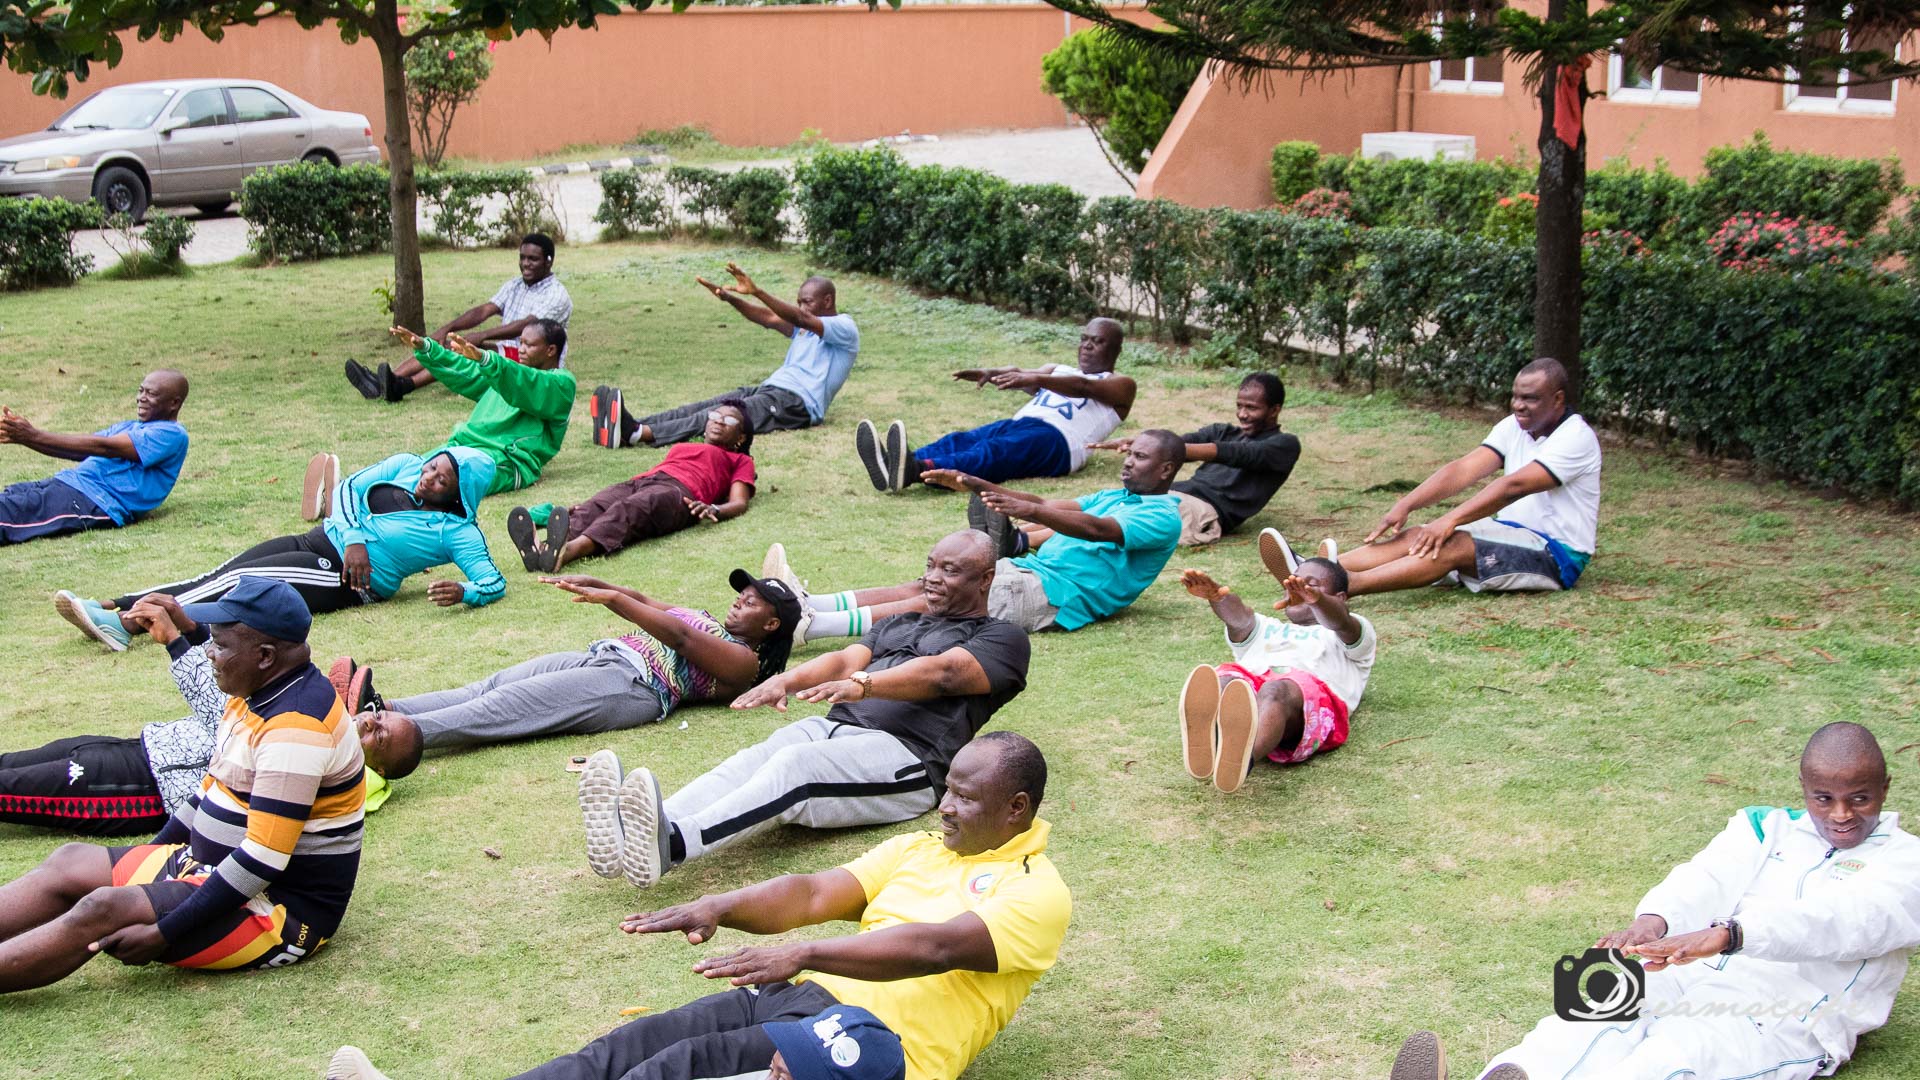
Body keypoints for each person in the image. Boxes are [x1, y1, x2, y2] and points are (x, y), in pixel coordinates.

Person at [332, 732, 1067, 1080]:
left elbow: (935, 949)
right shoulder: (921, 849)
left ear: (1016, 807)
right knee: (614, 1055)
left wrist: (806, 951)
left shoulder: (1036, 892)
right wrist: (716, 904)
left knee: (670, 1072)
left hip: (869, 1039)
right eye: (948, 788)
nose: (945, 806)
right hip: (785, 990)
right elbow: (814, 893)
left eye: (964, 797)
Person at [1390, 721, 1920, 1080]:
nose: (1841, 814)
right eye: (1823, 798)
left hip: (1789, 1014)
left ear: (1886, 788)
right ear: (1803, 789)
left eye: (1860, 797)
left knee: (1668, 1061)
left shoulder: (1907, 861)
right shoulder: (1767, 826)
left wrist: (1733, 934)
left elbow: (1844, 923)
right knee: (1590, 1009)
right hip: (1692, 973)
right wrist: (1655, 920)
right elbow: (1706, 875)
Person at [574, 531, 1029, 892]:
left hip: (907, 762)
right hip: (836, 727)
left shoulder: (1003, 639)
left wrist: (864, 685)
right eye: (930, 565)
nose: (932, 577)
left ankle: (673, 844)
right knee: (759, 756)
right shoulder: (901, 621)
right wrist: (785, 680)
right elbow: (846, 659)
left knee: (796, 767)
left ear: (985, 578)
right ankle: (631, 831)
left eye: (950, 570)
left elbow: (945, 673)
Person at [0, 577, 364, 993]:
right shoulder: (252, 693)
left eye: (221, 646)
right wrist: (153, 856)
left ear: (265, 656)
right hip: (207, 867)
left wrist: (165, 932)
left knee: (103, 907)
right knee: (71, 863)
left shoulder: (296, 729)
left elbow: (262, 861)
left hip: (275, 910)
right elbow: (210, 790)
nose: (209, 652)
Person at [335, 570, 799, 770]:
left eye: (753, 599)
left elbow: (678, 638)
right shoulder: (716, 621)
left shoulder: (744, 662)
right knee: (493, 685)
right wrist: (599, 584)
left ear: (771, 624)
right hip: (605, 657)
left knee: (503, 708)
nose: (741, 598)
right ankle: (382, 706)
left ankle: (382, 739)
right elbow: (651, 603)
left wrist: (614, 601)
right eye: (744, 591)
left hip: (633, 686)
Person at [53, 448, 505, 653]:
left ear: (460, 492)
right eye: (433, 466)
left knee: (237, 587)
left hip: (347, 581)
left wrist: (465, 592)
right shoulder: (405, 465)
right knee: (222, 571)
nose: (428, 477)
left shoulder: (458, 533)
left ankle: (127, 626)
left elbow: (493, 582)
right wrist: (354, 539)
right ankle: (115, 604)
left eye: (442, 479)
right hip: (320, 541)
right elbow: (347, 490)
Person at [783, 431, 1184, 640]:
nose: (1128, 462)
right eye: (1129, 454)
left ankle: (815, 625)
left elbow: (1098, 529)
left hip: (1056, 595)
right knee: (927, 582)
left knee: (935, 599)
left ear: (1166, 469)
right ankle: (811, 603)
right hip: (1029, 571)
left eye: (1140, 457)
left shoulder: (1162, 516)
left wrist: (1028, 513)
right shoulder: (1117, 495)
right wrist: (973, 482)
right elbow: (1047, 502)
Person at [1272, 357, 1599, 597]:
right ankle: (1317, 568)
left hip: (1555, 555)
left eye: (1530, 398)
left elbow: (1511, 487)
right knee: (1418, 535)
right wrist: (1408, 503)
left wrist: (1450, 519)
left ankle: (1342, 586)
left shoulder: (1576, 437)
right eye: (1515, 396)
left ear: (1557, 399)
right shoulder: (1514, 426)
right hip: (1508, 532)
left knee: (1450, 542)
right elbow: (1463, 469)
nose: (1519, 406)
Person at [0, 595, 220, 836]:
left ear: (265, 654)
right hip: (136, 748)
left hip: (144, 789)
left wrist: (175, 641)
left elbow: (224, 725)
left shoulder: (268, 720)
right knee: (7, 765)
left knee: (8, 788)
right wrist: (192, 631)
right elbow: (226, 691)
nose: (222, 637)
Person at [306, 323, 576, 516]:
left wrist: (488, 359)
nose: (522, 349)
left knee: (434, 483)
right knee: (413, 465)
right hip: (460, 447)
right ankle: (344, 491)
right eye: (520, 342)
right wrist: (427, 348)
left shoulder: (561, 384)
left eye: (530, 344)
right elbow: (464, 371)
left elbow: (527, 385)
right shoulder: (505, 373)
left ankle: (351, 505)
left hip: (505, 461)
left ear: (551, 350)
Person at [589, 263, 858, 449]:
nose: (801, 307)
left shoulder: (844, 328)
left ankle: (639, 435)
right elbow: (768, 318)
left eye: (807, 302)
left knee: (717, 415)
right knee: (704, 405)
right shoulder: (805, 327)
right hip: (771, 389)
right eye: (799, 301)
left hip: (797, 404)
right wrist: (731, 299)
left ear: (828, 300)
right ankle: (630, 427)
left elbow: (796, 316)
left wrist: (759, 291)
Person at [853, 318, 1135, 492]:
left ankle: (917, 470)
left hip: (1061, 441)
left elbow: (1082, 387)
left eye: (1097, 342)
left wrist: (1035, 376)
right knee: (962, 439)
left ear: (1115, 350)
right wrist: (993, 373)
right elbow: (1023, 377)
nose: (1086, 346)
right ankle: (896, 463)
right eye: (1084, 339)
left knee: (993, 453)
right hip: (1020, 424)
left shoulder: (1121, 384)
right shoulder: (1056, 368)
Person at [1175, 559, 1374, 793]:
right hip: (1253, 694)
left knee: (1276, 689)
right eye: (1294, 583)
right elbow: (1241, 619)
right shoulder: (1269, 627)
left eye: (1311, 585)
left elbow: (1340, 620)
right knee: (1226, 682)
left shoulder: (1348, 631)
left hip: (1307, 702)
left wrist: (1318, 602)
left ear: (1340, 598)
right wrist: (1217, 597)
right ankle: (1210, 740)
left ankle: (1240, 761)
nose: (1298, 590)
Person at [505, 400, 755, 573]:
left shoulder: (740, 460)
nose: (718, 422)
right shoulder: (687, 445)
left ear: (741, 438)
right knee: (597, 504)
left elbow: (739, 502)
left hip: (679, 493)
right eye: (714, 416)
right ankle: (543, 549)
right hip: (643, 480)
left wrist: (715, 509)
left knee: (629, 510)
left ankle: (568, 551)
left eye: (729, 421)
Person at [346, 233, 572, 402]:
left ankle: (402, 385)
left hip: (533, 364)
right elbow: (484, 310)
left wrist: (480, 335)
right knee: (450, 342)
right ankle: (388, 381)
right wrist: (449, 326)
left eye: (532, 259)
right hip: (510, 353)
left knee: (464, 349)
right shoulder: (515, 285)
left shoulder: (557, 295)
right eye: (522, 257)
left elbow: (527, 325)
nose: (525, 263)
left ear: (549, 261)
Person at [1090, 372, 1299, 546]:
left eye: (1251, 408)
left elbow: (1236, 454)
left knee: (1119, 527)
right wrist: (1142, 445)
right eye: (1239, 406)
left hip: (1204, 511)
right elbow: (1179, 443)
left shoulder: (1285, 445)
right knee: (1106, 505)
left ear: (1274, 410)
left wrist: (1158, 450)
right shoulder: (1222, 431)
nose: (1242, 414)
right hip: (1173, 495)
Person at [0, 370, 189, 545]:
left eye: (151, 394)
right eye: (141, 391)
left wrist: (33, 435)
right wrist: (26, 439)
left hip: (94, 501)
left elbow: (105, 447)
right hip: (68, 484)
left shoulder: (171, 434)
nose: (141, 398)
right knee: (11, 495)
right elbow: (82, 450)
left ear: (174, 403)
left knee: (11, 510)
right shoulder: (129, 427)